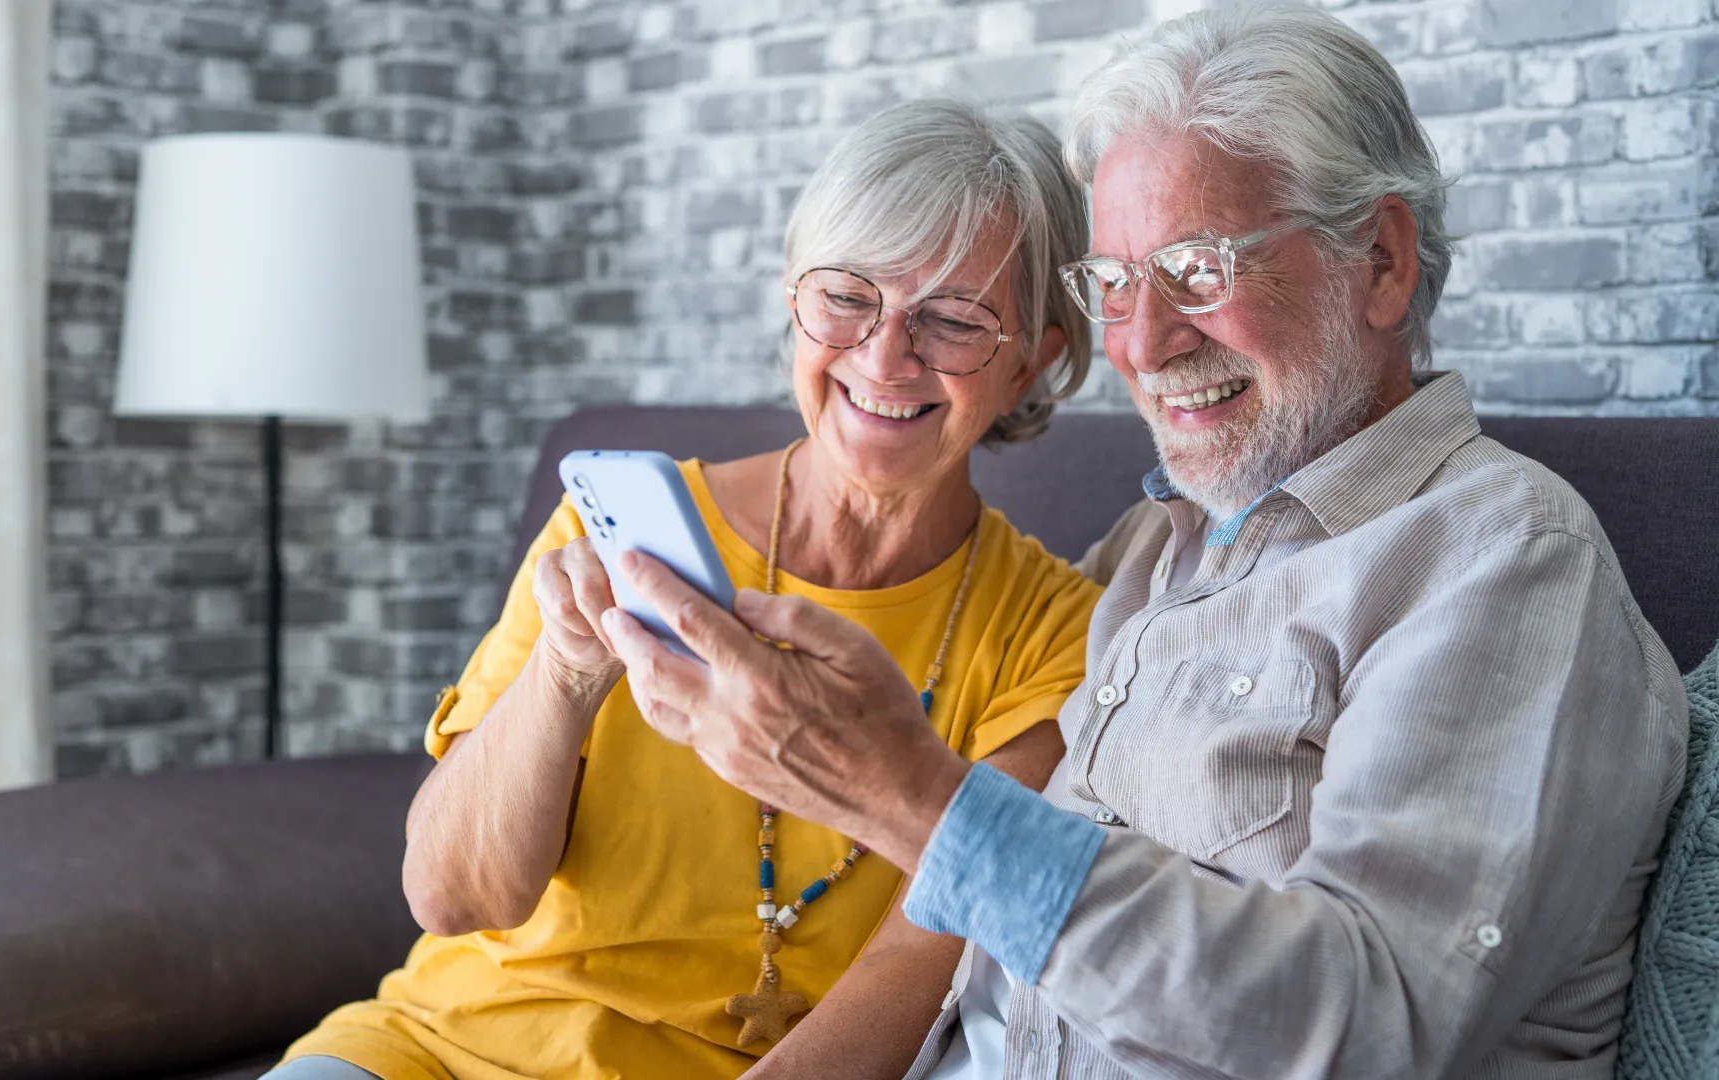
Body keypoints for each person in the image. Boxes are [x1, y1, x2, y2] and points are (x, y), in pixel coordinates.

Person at [599, 5, 1691, 1078]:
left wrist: (904, 794)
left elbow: (1365, 1025)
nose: (1145, 344)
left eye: (1201, 271)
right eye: (1116, 284)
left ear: (1382, 263)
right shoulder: (1147, 552)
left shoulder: (1500, 561)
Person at [266, 99, 1106, 1080]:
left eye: (955, 319)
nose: (883, 356)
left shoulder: (1056, 638)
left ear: (1033, 365)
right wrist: (567, 676)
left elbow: (919, 966)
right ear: (794, 302)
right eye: (846, 297)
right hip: (432, 1052)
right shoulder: (615, 527)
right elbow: (452, 898)